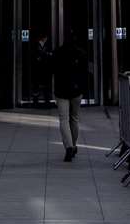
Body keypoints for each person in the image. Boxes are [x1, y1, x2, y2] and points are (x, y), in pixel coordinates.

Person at [51, 30, 88, 162]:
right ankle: (74, 144)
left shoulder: (58, 52)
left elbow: (52, 69)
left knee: (64, 119)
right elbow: (85, 73)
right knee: (74, 118)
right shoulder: (81, 53)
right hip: (76, 90)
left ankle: (69, 146)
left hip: (61, 90)